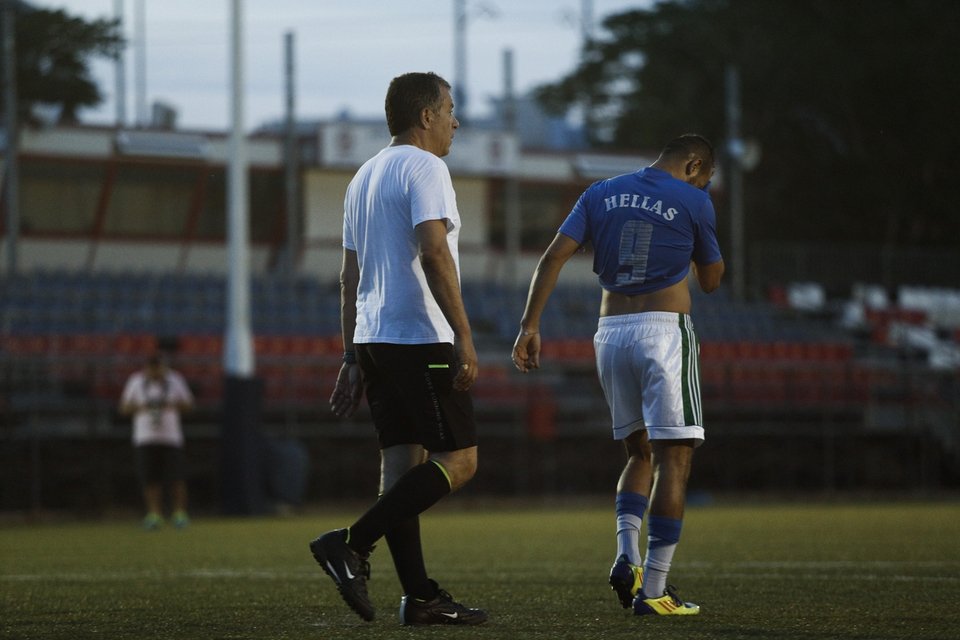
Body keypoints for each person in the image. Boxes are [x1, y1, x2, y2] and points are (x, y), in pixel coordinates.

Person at [512, 134, 724, 617]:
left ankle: (626, 554)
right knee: (675, 459)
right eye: (706, 177)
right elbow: (711, 282)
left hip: (609, 333)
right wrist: (699, 214)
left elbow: (553, 257)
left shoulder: (599, 192)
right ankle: (654, 591)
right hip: (663, 332)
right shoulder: (693, 198)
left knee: (639, 451)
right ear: (694, 165)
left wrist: (529, 325)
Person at [309, 71, 486, 626]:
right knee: (459, 460)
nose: (456, 122)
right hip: (420, 335)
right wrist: (464, 334)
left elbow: (348, 276)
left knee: (400, 463)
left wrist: (349, 355)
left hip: (374, 339)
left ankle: (420, 597)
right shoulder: (426, 166)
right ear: (426, 115)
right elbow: (435, 253)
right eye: (451, 109)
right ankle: (351, 542)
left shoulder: (362, 176)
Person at [119, 351, 195, 530]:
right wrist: (142, 407)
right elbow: (124, 408)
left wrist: (170, 405)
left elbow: (189, 405)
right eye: (152, 368)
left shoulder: (175, 380)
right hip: (145, 437)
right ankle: (154, 514)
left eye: (159, 368)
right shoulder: (136, 381)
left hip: (171, 437)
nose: (156, 372)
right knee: (150, 478)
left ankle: (179, 514)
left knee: (177, 477)